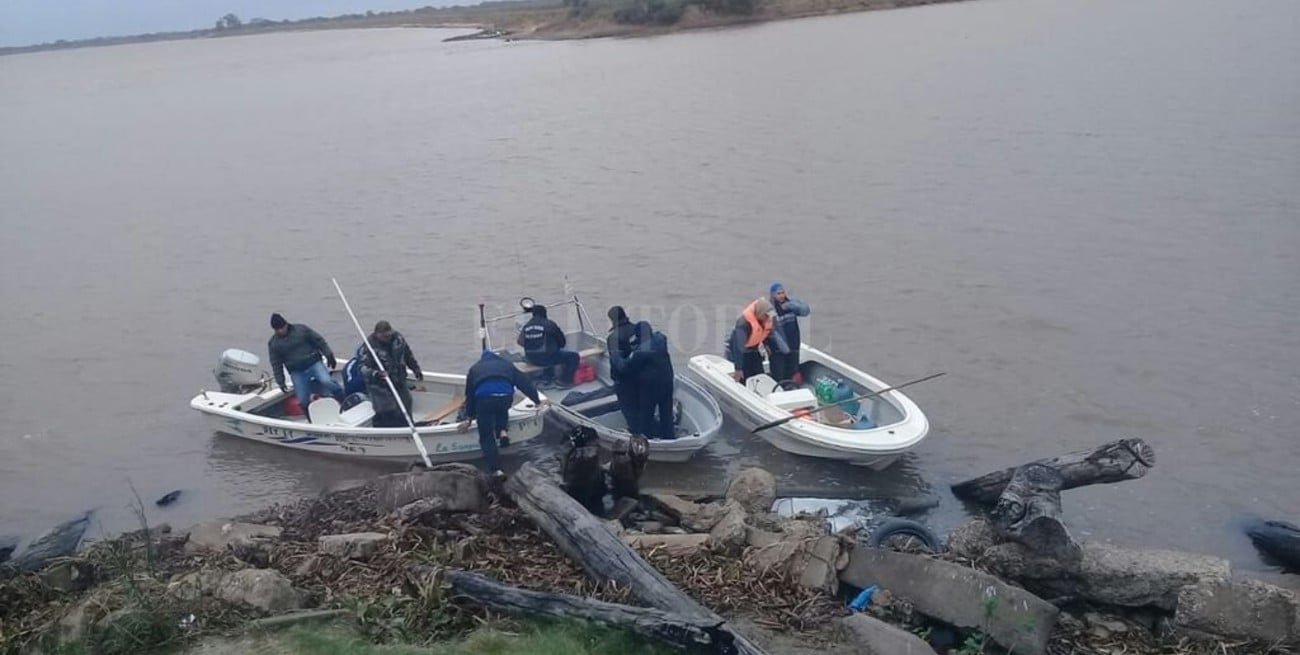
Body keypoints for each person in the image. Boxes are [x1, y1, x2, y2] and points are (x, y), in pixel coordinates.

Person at [458, 349, 547, 477]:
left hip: (484, 399)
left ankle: (496, 470)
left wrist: (469, 418)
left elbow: (470, 395)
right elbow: (524, 383)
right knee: (501, 408)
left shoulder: (474, 369)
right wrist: (537, 401)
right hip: (505, 397)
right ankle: (502, 431)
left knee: (486, 436)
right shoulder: (507, 365)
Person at [268, 312, 344, 420]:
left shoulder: (301, 330)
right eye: (277, 329)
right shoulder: (274, 343)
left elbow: (319, 341)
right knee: (303, 399)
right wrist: (280, 381)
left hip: (313, 363)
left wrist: (329, 354)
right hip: (297, 371)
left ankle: (343, 399)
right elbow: (276, 363)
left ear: (285, 324)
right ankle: (311, 419)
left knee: (327, 381)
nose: (280, 331)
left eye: (281, 328)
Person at [359, 321, 424, 428]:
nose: (388, 338)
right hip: (379, 385)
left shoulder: (398, 339)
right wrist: (376, 374)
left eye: (389, 335)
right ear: (377, 334)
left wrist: (416, 369)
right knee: (386, 410)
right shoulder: (369, 346)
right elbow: (362, 368)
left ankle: (408, 426)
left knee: (407, 402)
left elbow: (407, 354)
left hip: (398, 380)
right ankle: (383, 430)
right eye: (384, 336)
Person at [626, 321, 676, 439]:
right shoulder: (661, 339)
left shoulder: (640, 353)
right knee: (666, 414)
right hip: (668, 383)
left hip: (650, 389)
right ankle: (669, 437)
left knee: (646, 416)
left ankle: (646, 440)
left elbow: (628, 367)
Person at [725, 297, 790, 383]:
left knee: (760, 375)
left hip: (754, 350)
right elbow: (738, 347)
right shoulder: (744, 324)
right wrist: (738, 368)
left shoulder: (768, 320)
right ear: (760, 314)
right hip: (738, 352)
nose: (769, 318)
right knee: (743, 378)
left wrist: (767, 345)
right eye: (766, 316)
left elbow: (766, 333)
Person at [516, 305, 579, 388]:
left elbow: (520, 342)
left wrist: (533, 344)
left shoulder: (526, 326)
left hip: (531, 359)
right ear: (545, 313)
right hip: (547, 359)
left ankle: (548, 375)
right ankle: (565, 381)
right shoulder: (550, 324)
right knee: (573, 356)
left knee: (546, 351)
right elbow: (562, 342)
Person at [606, 305, 641, 433]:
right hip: (644, 376)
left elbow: (616, 363)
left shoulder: (613, 338)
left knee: (629, 409)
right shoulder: (638, 329)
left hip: (625, 382)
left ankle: (636, 432)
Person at [767, 283, 811, 384]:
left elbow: (806, 311)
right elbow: (767, 330)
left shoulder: (791, 305)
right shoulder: (769, 309)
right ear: (773, 295)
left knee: (792, 370)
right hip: (777, 349)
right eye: (778, 293)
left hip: (793, 344)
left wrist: (791, 305)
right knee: (779, 373)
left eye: (782, 293)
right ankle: (779, 389)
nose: (781, 296)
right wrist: (767, 345)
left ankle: (792, 387)